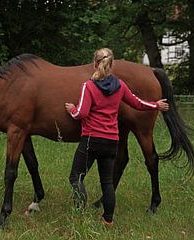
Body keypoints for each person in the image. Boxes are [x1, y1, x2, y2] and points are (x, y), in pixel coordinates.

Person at [64, 48, 169, 226]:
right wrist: (155, 105)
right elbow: (137, 103)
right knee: (107, 183)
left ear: (95, 64)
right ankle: (108, 220)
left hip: (91, 139)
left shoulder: (88, 86)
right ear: (112, 65)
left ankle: (79, 216)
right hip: (112, 141)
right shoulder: (120, 85)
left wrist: (72, 110)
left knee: (76, 177)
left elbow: (81, 113)